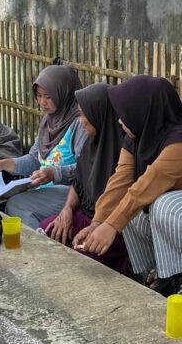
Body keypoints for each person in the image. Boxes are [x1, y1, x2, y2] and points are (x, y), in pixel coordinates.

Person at [73, 75, 182, 309]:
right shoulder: (135, 139)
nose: (120, 120)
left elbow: (148, 184)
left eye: (125, 113)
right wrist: (98, 222)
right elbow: (119, 182)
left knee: (161, 204)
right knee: (133, 208)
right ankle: (160, 270)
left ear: (143, 110)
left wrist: (111, 226)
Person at [37, 83, 129, 274]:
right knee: (47, 231)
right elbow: (78, 182)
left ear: (99, 114)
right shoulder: (91, 144)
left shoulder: (124, 151)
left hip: (111, 226)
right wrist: (67, 210)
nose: (80, 121)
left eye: (84, 115)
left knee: (79, 259)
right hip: (85, 216)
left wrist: (98, 225)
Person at [0, 65, 87, 229]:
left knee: (17, 205)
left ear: (63, 93)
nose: (42, 102)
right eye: (39, 96)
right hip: (44, 187)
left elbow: (85, 169)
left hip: (70, 192)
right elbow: (34, 159)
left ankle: (42, 242)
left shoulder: (79, 123)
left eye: (48, 96)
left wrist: (53, 173)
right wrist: (3, 164)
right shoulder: (48, 120)